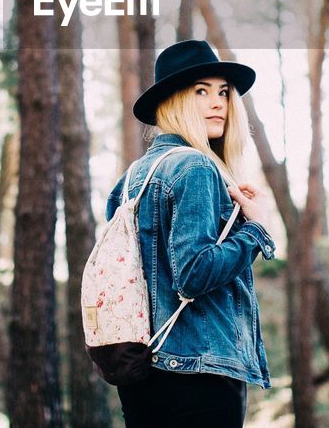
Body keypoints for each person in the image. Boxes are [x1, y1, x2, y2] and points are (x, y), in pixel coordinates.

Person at [105, 39, 276, 428]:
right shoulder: (195, 167)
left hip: (142, 369)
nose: (218, 103)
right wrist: (257, 230)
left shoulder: (130, 179)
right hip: (200, 371)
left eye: (223, 93)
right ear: (175, 100)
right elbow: (193, 274)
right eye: (201, 91)